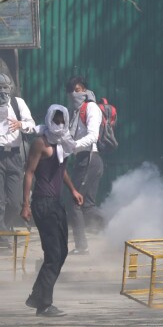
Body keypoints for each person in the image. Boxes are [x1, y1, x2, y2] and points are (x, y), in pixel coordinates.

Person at [22, 105, 83, 317]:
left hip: (57, 203)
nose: (58, 125)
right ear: (48, 120)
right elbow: (29, 173)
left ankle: (37, 296)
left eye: (61, 121)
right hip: (42, 202)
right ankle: (43, 304)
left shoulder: (64, 142)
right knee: (53, 253)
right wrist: (25, 204)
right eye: (55, 121)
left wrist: (73, 190)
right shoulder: (40, 142)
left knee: (62, 251)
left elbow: (61, 170)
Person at [65, 76, 104, 255]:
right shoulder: (74, 112)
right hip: (83, 159)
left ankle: (82, 247)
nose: (75, 93)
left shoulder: (91, 108)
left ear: (86, 90)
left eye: (79, 89)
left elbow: (93, 136)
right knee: (87, 206)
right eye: (72, 90)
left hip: (89, 158)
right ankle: (118, 228)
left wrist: (73, 146)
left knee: (75, 203)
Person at [0, 72, 35, 248]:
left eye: (5, 90)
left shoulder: (17, 103)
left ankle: (3, 228)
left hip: (14, 155)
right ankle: (3, 238)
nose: (2, 94)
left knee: (15, 202)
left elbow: (32, 125)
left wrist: (20, 124)